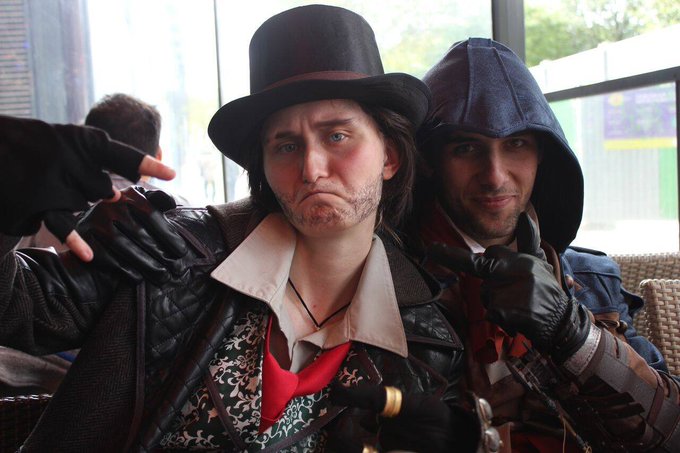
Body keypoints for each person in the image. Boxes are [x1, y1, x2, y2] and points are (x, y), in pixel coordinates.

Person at [0, 6, 490, 452]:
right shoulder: (168, 251)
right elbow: (19, 309)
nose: (312, 168)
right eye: (286, 146)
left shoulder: (425, 343)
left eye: (337, 135)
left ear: (390, 156)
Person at [411, 37, 680, 451]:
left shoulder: (591, 279)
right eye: (466, 148)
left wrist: (571, 333)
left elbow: (671, 433)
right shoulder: (396, 286)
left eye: (516, 144)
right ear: (430, 162)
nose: (495, 174)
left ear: (542, 155)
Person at [17, 93, 189, 252]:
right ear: (157, 156)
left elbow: (14, 265)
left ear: (86, 147)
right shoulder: (182, 210)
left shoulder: (47, 210)